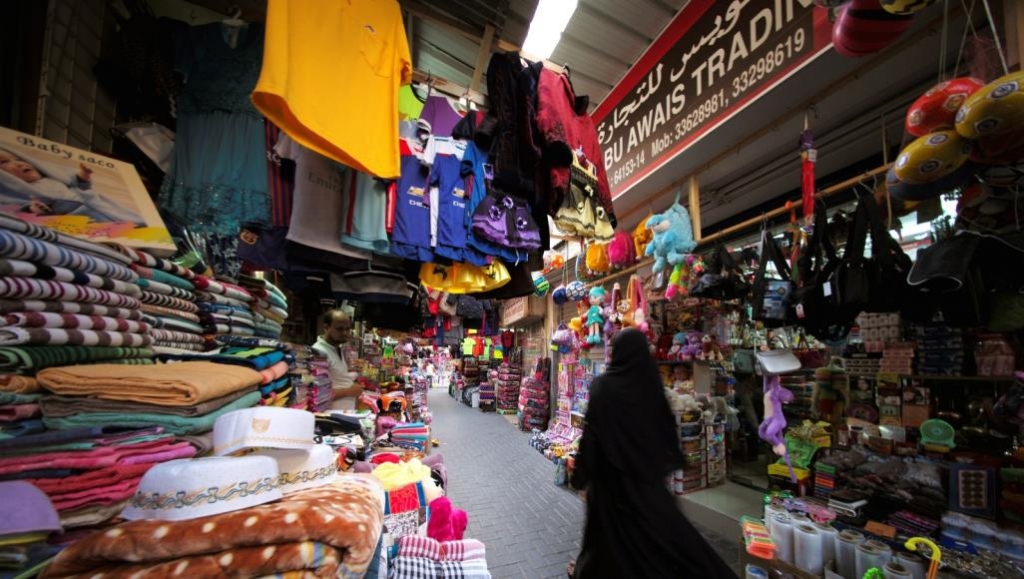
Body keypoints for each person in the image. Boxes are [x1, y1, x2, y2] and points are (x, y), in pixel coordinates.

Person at [570, 329, 738, 578]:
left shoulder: (603, 387)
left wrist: (580, 476)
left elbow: (592, 437)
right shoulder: (651, 385)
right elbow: (666, 431)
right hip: (646, 486)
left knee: (607, 543)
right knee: (660, 542)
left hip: (610, 487)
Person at [0, 149, 144, 224]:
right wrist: (32, 209)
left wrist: (82, 178)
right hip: (79, 220)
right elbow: (14, 210)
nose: (20, 164)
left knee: (134, 223)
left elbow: (79, 186)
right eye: (4, 162)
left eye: (17, 159)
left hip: (98, 205)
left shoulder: (52, 178)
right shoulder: (18, 196)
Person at [311, 309, 362, 411]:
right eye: (339, 329)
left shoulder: (336, 348)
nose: (345, 332)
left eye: (347, 329)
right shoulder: (319, 351)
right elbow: (316, 394)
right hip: (330, 416)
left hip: (342, 414)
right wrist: (349, 391)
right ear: (326, 328)